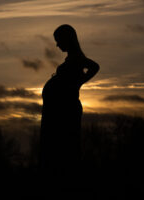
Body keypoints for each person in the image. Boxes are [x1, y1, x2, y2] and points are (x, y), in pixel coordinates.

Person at [39, 24, 100, 181]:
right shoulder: (72, 58)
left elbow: (94, 67)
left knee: (64, 149)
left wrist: (78, 82)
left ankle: (66, 180)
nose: (57, 44)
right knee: (56, 149)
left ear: (68, 39)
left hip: (65, 111)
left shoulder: (77, 58)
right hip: (58, 110)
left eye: (59, 40)